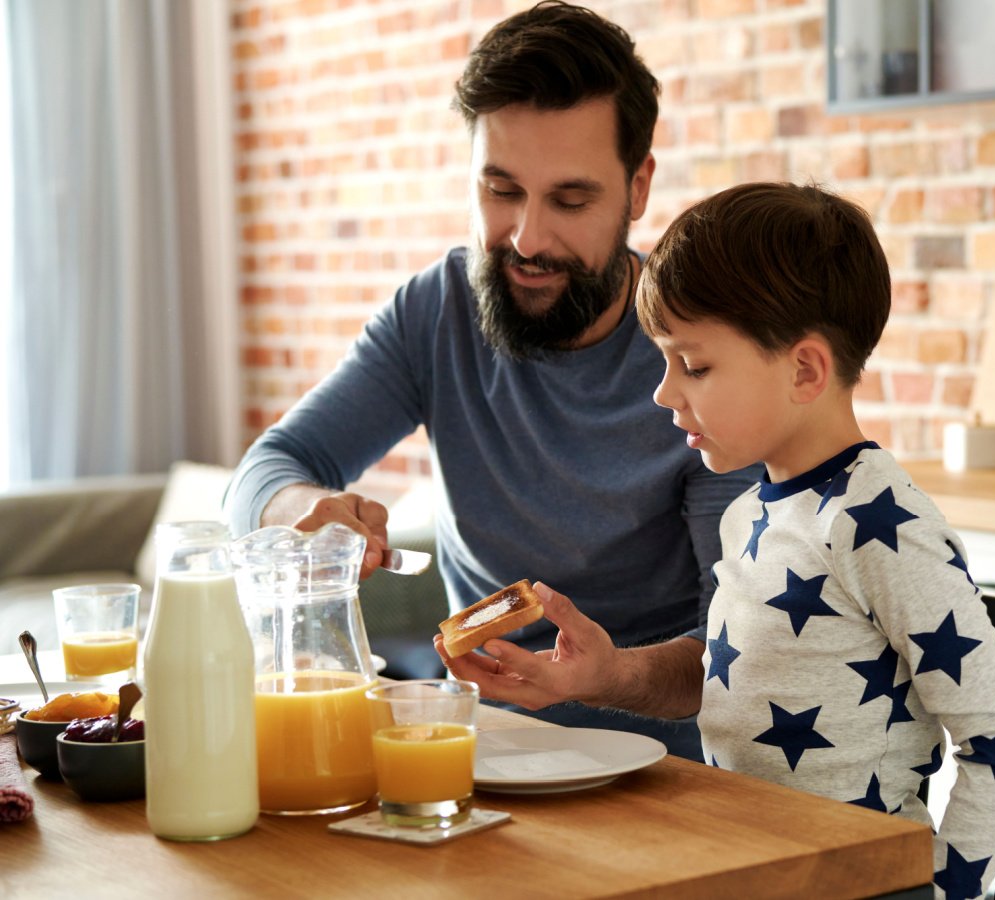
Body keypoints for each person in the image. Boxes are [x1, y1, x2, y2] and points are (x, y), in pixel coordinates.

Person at [440, 183, 995, 899]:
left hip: (846, 883)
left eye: (693, 365)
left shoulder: (878, 523)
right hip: (745, 863)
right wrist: (597, 675)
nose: (665, 393)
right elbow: (739, 686)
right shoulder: (752, 511)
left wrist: (939, 891)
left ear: (804, 370)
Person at [223, 1, 759, 759]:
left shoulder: (702, 358)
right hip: (482, 757)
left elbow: (748, 650)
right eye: (501, 190)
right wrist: (308, 508)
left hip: (663, 774)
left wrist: (603, 678)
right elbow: (260, 474)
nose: (527, 240)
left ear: (638, 189)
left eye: (570, 201)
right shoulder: (437, 310)